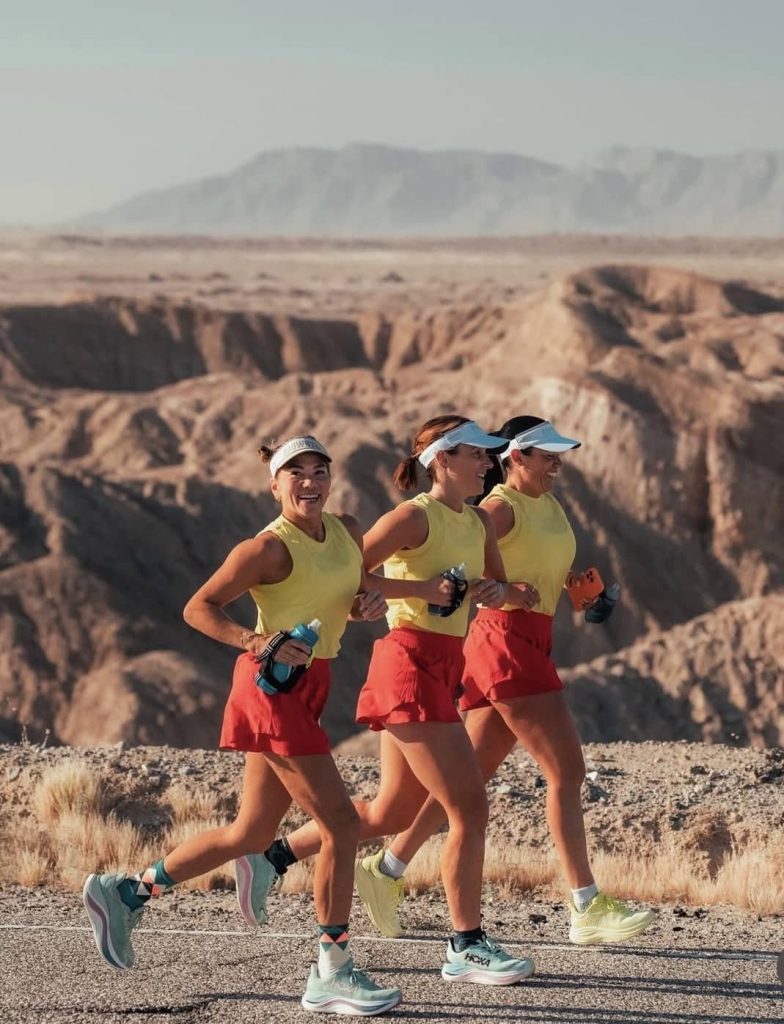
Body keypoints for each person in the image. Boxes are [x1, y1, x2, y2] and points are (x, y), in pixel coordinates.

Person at [82, 435, 402, 1017]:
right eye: (296, 473)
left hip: (312, 686)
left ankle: (125, 894)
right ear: (275, 486)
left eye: (319, 471)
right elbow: (198, 607)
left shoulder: (347, 531)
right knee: (341, 824)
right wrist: (257, 641)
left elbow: (350, 600)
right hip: (271, 691)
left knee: (250, 835)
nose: (310, 482)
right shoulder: (266, 549)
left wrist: (366, 608)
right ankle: (332, 970)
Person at [246, 416, 540, 986]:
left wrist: (500, 592)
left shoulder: (479, 521)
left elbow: (500, 592)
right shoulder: (411, 517)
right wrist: (415, 592)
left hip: (445, 668)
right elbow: (352, 576)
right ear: (442, 461)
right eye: (478, 454)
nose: (488, 463)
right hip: (406, 665)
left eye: (489, 455)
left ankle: (273, 858)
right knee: (469, 807)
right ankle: (466, 944)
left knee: (393, 813)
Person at [352, 416, 655, 946]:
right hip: (503, 644)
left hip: (532, 638)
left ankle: (388, 867)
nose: (557, 463)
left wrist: (577, 591)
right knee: (566, 770)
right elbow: (466, 567)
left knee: (469, 780)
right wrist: (437, 590)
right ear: (517, 457)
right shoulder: (496, 509)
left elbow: (525, 571)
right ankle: (585, 904)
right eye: (546, 455)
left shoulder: (550, 505)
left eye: (559, 455)